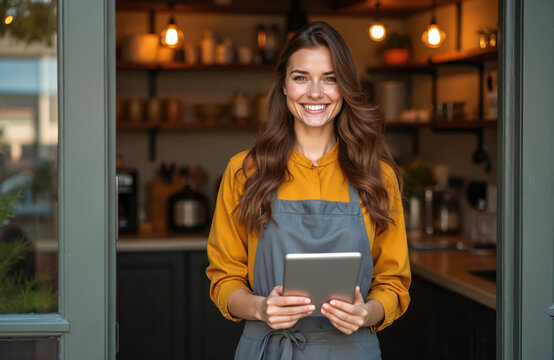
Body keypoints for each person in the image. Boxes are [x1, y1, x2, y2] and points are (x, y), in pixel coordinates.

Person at [206, 21, 410, 359]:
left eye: (330, 78)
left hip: (351, 350)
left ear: (344, 88)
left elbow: (393, 282)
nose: (315, 92)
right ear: (284, 86)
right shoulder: (245, 172)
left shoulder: (377, 177)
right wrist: (260, 308)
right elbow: (224, 279)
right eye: (301, 77)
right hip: (269, 348)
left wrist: (366, 313)